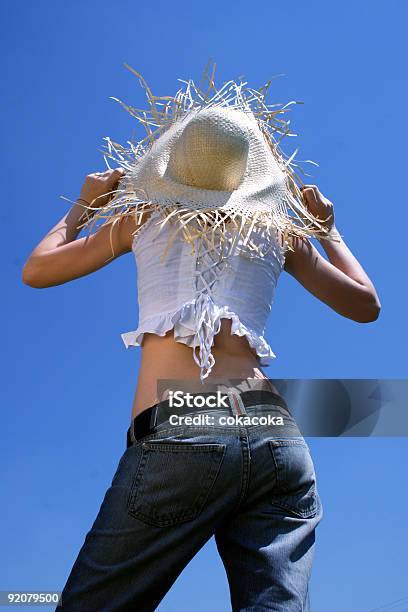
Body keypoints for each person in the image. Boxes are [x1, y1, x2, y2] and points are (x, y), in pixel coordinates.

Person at [22, 63, 381, 611]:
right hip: (274, 429)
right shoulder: (279, 232)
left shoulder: (142, 219)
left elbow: (39, 269)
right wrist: (328, 230)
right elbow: (366, 305)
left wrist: (83, 207)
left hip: (182, 424)